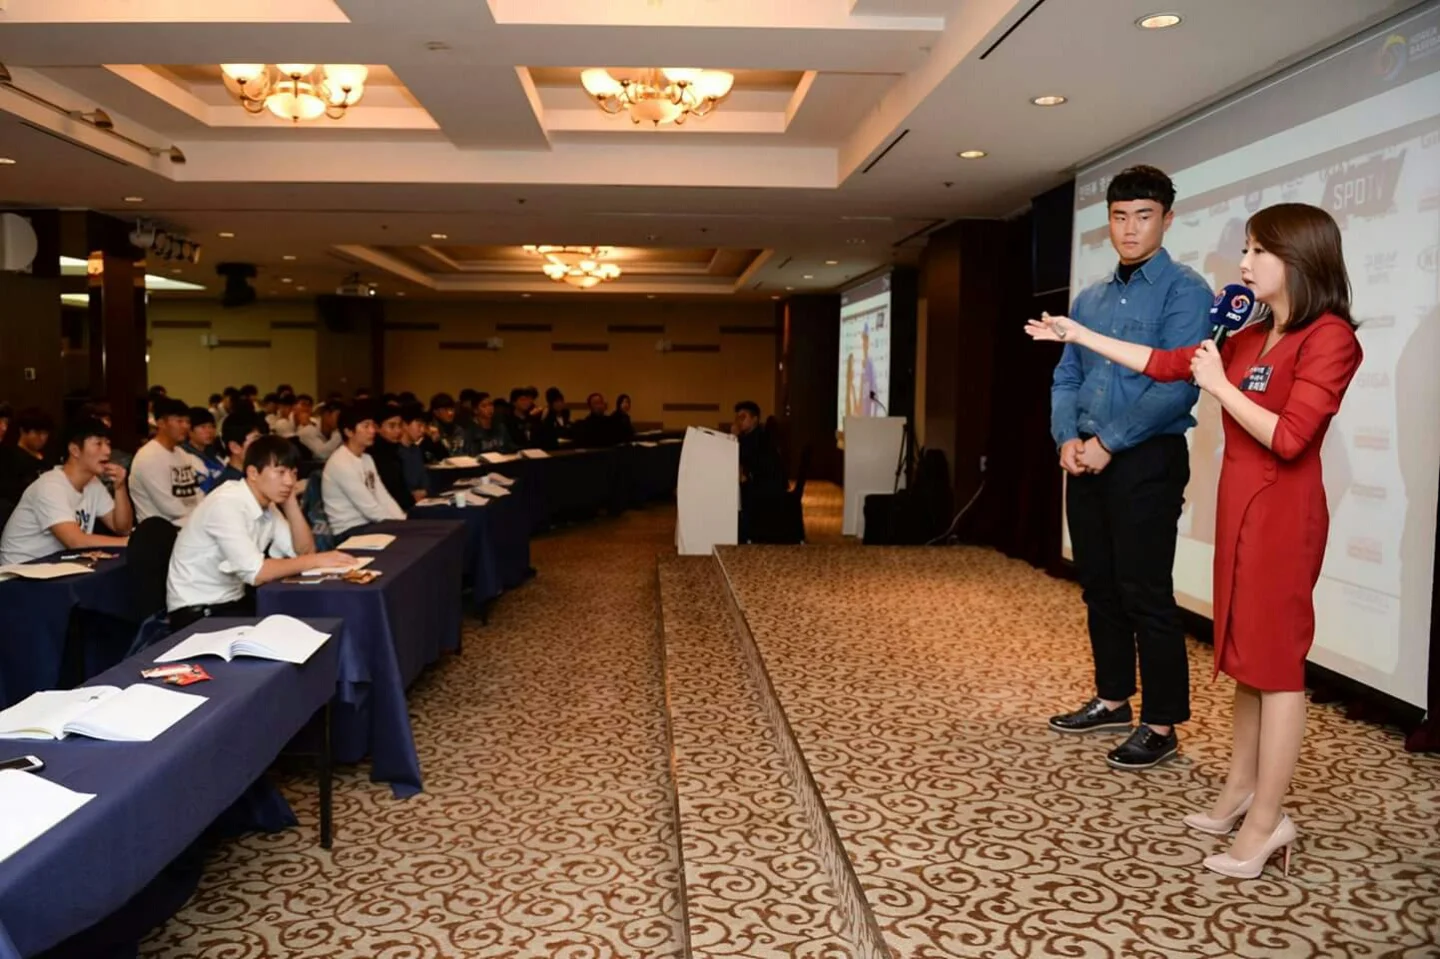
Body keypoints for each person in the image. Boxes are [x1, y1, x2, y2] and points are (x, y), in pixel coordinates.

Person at [1026, 202, 1362, 879]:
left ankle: (1269, 820)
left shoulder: (1329, 338)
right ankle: (1240, 790)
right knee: (1246, 660)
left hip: (1283, 516)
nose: (1243, 264)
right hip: (1239, 509)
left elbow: (1291, 436)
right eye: (1246, 249)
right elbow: (1163, 362)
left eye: (1257, 251)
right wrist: (1080, 334)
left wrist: (1218, 386)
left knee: (1278, 669)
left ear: (1299, 258)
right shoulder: (1248, 334)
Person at [1044, 165, 1214, 771]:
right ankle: (1114, 698)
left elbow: (1177, 386)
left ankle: (1162, 723)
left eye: (1143, 215)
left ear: (1167, 218)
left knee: (1146, 592)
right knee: (1100, 586)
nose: (1130, 228)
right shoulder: (1088, 298)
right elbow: (1067, 375)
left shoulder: (1187, 291)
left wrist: (1109, 443)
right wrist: (1068, 438)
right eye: (1119, 216)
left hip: (1146, 457)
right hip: (1086, 457)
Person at [166, 435, 358, 631]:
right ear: (253, 473)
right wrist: (318, 560)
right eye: (281, 472)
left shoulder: (267, 504)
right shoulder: (226, 503)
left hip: (233, 602)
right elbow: (257, 572)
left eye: (293, 473)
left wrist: (291, 504)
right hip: (197, 611)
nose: (290, 481)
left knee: (315, 623)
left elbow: (304, 552)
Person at [0, 418, 133, 564]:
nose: (107, 451)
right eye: (98, 444)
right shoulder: (50, 486)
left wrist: (120, 487)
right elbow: (75, 541)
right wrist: (128, 542)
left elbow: (122, 528)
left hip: (55, 566)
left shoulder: (93, 483)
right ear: (75, 450)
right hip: (20, 571)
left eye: (108, 444)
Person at [322, 403, 406, 538]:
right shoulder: (341, 463)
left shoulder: (367, 458)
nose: (372, 431)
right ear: (349, 432)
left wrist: (403, 520)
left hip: (369, 525)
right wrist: (400, 527)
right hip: (349, 531)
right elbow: (369, 508)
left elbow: (382, 496)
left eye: (373, 425)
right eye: (366, 426)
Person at [130, 397, 204, 524]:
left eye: (187, 421)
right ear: (161, 423)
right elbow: (170, 507)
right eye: (179, 421)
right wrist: (202, 517)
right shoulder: (148, 457)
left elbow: (196, 493)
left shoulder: (182, 454)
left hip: (188, 524)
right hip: (162, 531)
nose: (185, 426)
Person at [732, 400, 787, 543]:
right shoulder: (751, 436)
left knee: (738, 492)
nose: (739, 421)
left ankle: (746, 534)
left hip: (767, 485)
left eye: (743, 417)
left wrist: (735, 437)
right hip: (762, 480)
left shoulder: (759, 437)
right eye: (738, 417)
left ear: (755, 419)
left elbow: (748, 458)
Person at [0, 407, 54, 503]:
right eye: (37, 433)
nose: (42, 438)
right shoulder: (10, 458)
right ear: (23, 431)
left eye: (45, 433)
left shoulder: (49, 456)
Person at [371, 403, 417, 512]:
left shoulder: (394, 449)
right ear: (377, 428)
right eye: (391, 426)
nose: (397, 430)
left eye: (400, 425)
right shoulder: (373, 455)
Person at [181, 407, 228, 493]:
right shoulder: (184, 456)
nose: (209, 431)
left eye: (212, 426)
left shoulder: (214, 453)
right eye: (203, 427)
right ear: (190, 430)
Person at [216, 410, 264, 485]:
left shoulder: (256, 474)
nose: (264, 446)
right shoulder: (227, 487)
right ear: (235, 447)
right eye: (256, 440)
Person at [397, 403, 432, 503]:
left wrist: (425, 491)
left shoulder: (416, 449)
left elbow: (424, 479)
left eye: (424, 426)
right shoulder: (396, 451)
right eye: (419, 425)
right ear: (404, 425)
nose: (422, 430)